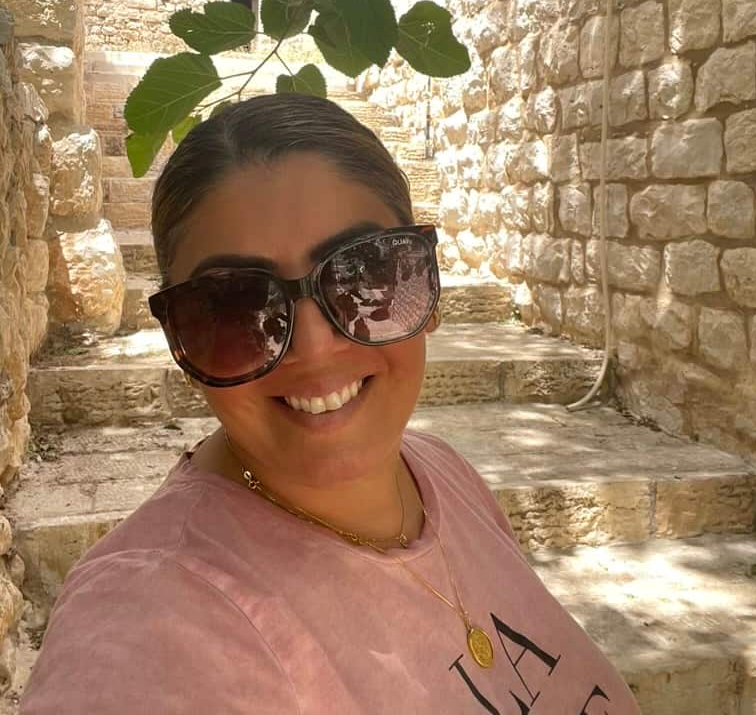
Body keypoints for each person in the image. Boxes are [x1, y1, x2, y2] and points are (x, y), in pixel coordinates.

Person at [20, 94, 640, 714]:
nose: (315, 349)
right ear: (180, 341)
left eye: (364, 274)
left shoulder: (442, 474)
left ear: (428, 285)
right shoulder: (149, 624)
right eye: (235, 306)